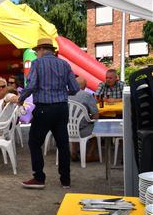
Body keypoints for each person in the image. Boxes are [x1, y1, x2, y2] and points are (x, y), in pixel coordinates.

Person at [18, 38, 79, 189]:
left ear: (41, 49)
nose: (36, 54)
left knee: (34, 142)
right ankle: (65, 180)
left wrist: (21, 98)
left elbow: (31, 85)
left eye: (36, 51)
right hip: (62, 108)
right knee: (63, 145)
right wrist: (61, 93)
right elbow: (75, 88)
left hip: (44, 108)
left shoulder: (37, 63)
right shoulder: (64, 64)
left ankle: (39, 178)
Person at [69, 77, 99, 162]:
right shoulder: (87, 95)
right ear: (85, 86)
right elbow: (96, 115)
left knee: (73, 124)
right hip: (82, 130)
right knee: (96, 130)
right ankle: (90, 154)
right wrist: (89, 119)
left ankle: (73, 152)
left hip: (66, 129)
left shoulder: (65, 94)